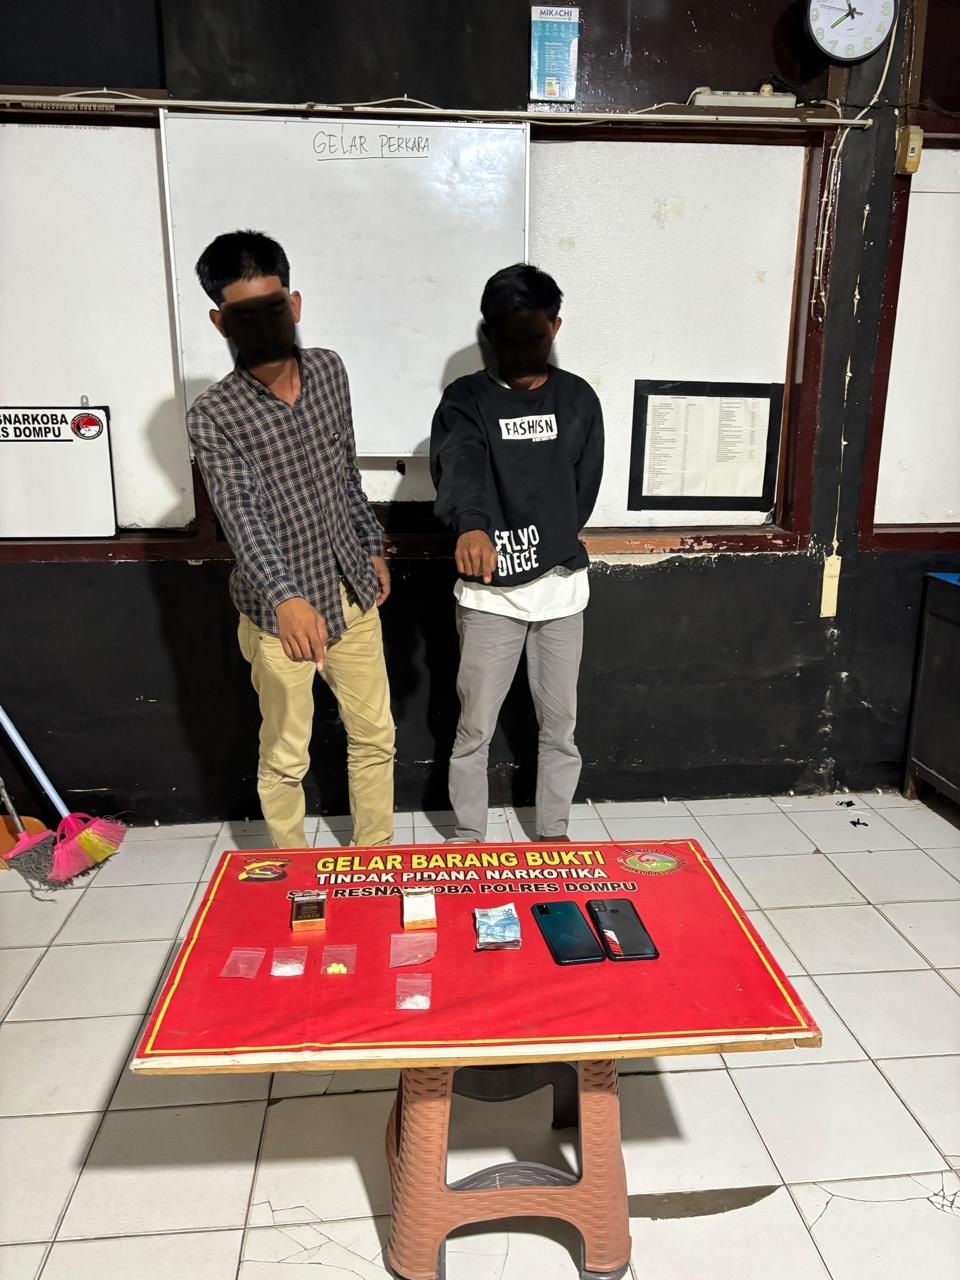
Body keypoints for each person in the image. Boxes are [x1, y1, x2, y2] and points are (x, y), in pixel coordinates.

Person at [187, 230, 395, 849]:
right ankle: (290, 875)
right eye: (244, 315)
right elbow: (241, 517)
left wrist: (371, 543)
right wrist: (286, 598)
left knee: (376, 737)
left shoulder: (329, 370)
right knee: (286, 753)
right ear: (221, 322)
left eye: (272, 308)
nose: (263, 326)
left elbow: (346, 472)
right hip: (279, 615)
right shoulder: (214, 414)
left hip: (352, 591)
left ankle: (375, 857)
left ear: (294, 305)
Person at [430, 263, 604, 842]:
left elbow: (582, 488)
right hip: (489, 596)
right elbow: (461, 464)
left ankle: (553, 832)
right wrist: (473, 527)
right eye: (508, 342)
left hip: (561, 590)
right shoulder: (467, 399)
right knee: (474, 728)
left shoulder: (577, 399)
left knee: (560, 728)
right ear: (489, 334)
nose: (522, 353)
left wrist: (550, 536)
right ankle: (467, 836)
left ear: (555, 327)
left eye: (534, 339)